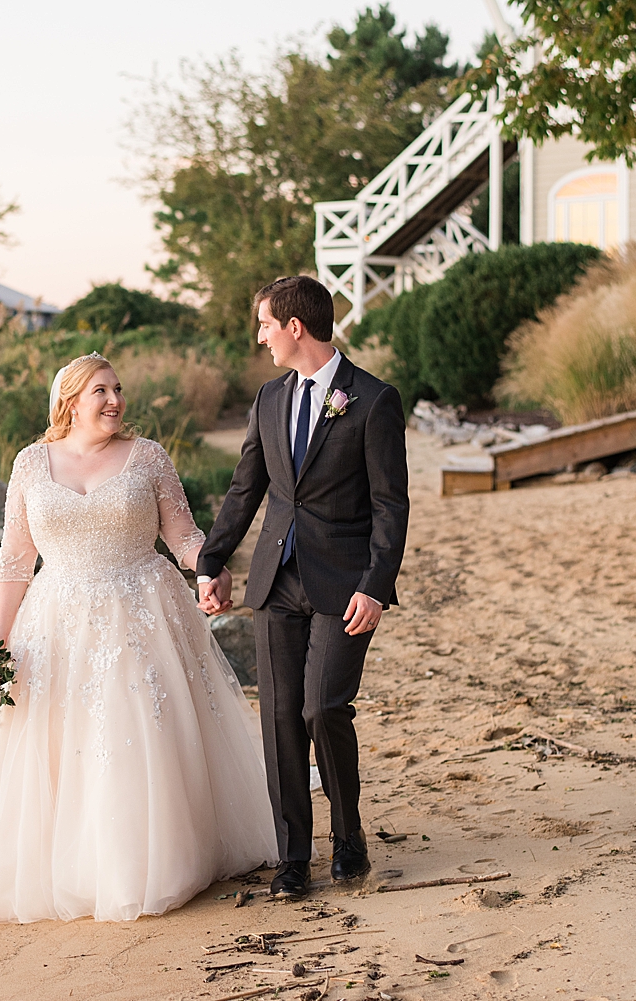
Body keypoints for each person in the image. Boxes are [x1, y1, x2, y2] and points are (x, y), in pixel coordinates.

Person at [0, 352, 277, 924]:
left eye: (118, 390)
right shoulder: (31, 464)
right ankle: (77, 868)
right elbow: (14, 565)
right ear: (70, 401)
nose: (114, 401)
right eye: (100, 391)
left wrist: (210, 567)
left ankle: (152, 863)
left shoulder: (148, 456)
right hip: (56, 621)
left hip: (142, 611)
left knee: (134, 735)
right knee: (65, 742)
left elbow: (183, 536)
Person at [196, 275, 409, 900]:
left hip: (345, 585)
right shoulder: (268, 399)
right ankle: (294, 857)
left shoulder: (372, 400)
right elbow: (246, 490)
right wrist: (211, 562)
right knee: (281, 721)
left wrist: (376, 585)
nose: (260, 336)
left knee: (323, 709)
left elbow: (390, 506)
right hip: (276, 580)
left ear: (295, 327)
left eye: (265, 324)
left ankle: (349, 838)